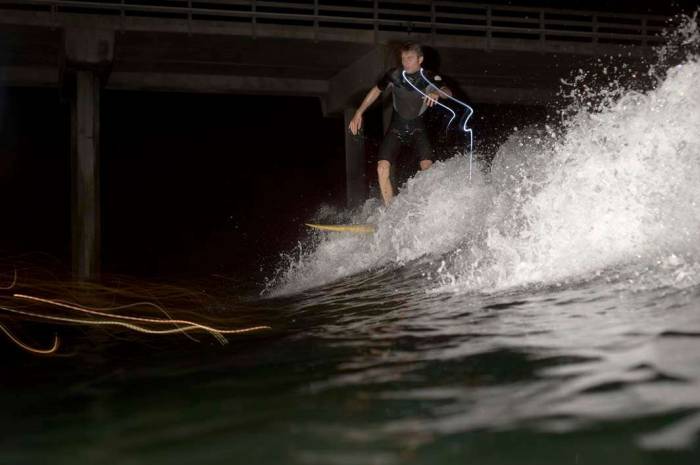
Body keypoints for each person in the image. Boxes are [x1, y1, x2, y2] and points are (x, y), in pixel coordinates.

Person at [348, 42, 452, 205]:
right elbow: (376, 90)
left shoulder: (429, 77)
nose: (406, 62)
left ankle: (426, 210)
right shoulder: (394, 75)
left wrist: (436, 93)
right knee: (382, 168)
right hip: (397, 128)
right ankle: (389, 212)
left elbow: (447, 92)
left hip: (418, 129)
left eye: (410, 58)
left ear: (420, 59)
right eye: (403, 58)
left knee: (427, 168)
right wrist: (359, 112)